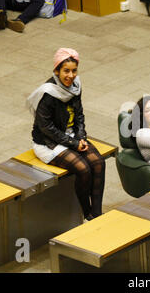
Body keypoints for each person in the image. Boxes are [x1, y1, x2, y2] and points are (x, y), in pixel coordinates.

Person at [27, 48, 106, 221]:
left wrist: (81, 137)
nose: (71, 75)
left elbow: (79, 115)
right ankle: (87, 214)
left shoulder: (76, 86)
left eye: (74, 70)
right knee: (83, 169)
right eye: (66, 71)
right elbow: (46, 128)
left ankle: (97, 214)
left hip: (71, 138)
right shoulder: (47, 94)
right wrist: (73, 143)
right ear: (56, 71)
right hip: (48, 143)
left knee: (98, 163)